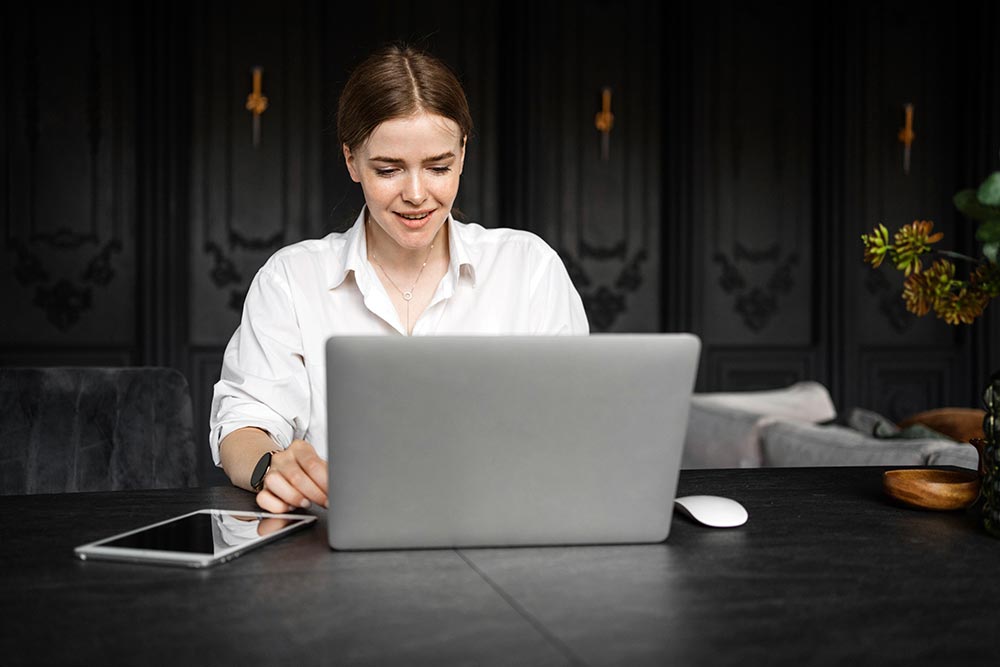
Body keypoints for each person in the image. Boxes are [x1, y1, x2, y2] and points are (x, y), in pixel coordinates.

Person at [210, 43, 588, 513]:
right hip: (337, 537)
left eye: (439, 167)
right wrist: (273, 466)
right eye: (388, 170)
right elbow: (244, 423)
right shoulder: (291, 278)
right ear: (351, 161)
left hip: (500, 526)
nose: (416, 194)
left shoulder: (529, 268)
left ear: (463, 154)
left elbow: (574, 423)